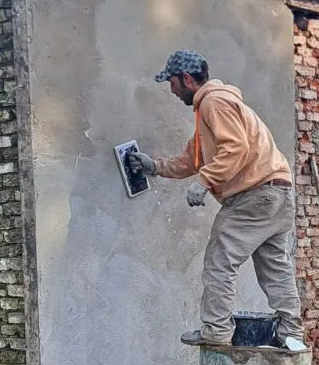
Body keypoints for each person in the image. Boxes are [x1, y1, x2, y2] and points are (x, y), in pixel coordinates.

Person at [128, 50, 305, 349]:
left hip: (254, 194)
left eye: (172, 82)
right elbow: (192, 159)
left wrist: (205, 183)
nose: (171, 90)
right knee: (275, 268)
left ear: (186, 79)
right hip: (278, 195)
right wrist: (154, 167)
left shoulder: (213, 101)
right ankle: (291, 334)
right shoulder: (212, 108)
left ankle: (217, 331)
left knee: (219, 262)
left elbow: (235, 149)